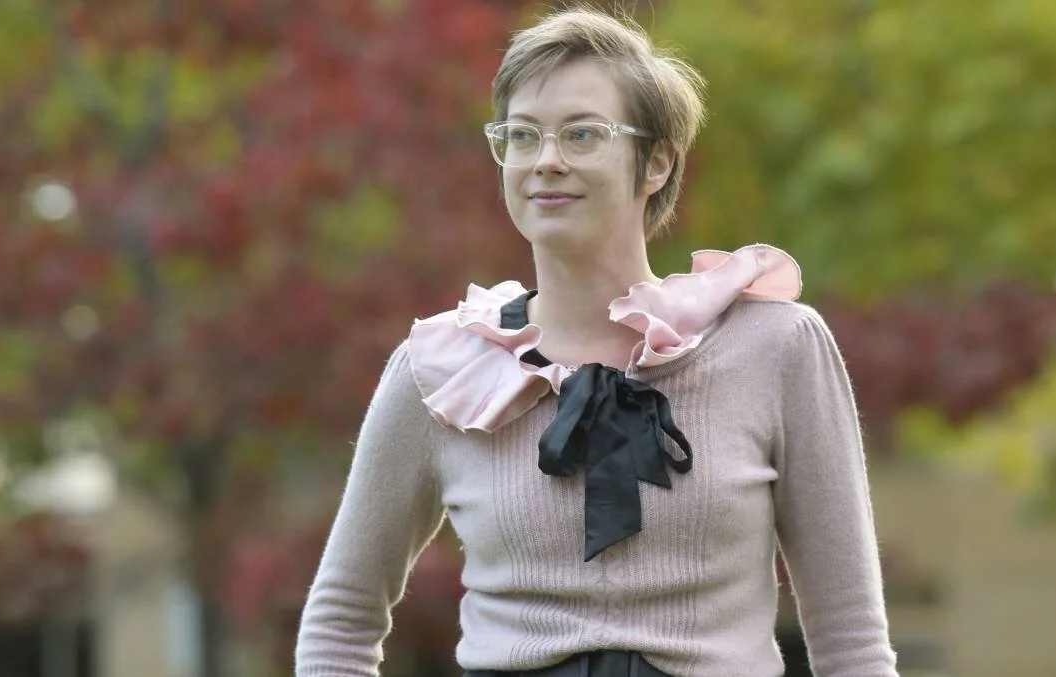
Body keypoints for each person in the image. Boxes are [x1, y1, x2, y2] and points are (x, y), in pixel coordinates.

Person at [296, 7, 898, 677]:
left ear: (656, 164)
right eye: (522, 136)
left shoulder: (776, 347)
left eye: (582, 134)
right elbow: (341, 621)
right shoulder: (440, 371)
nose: (546, 160)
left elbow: (851, 640)